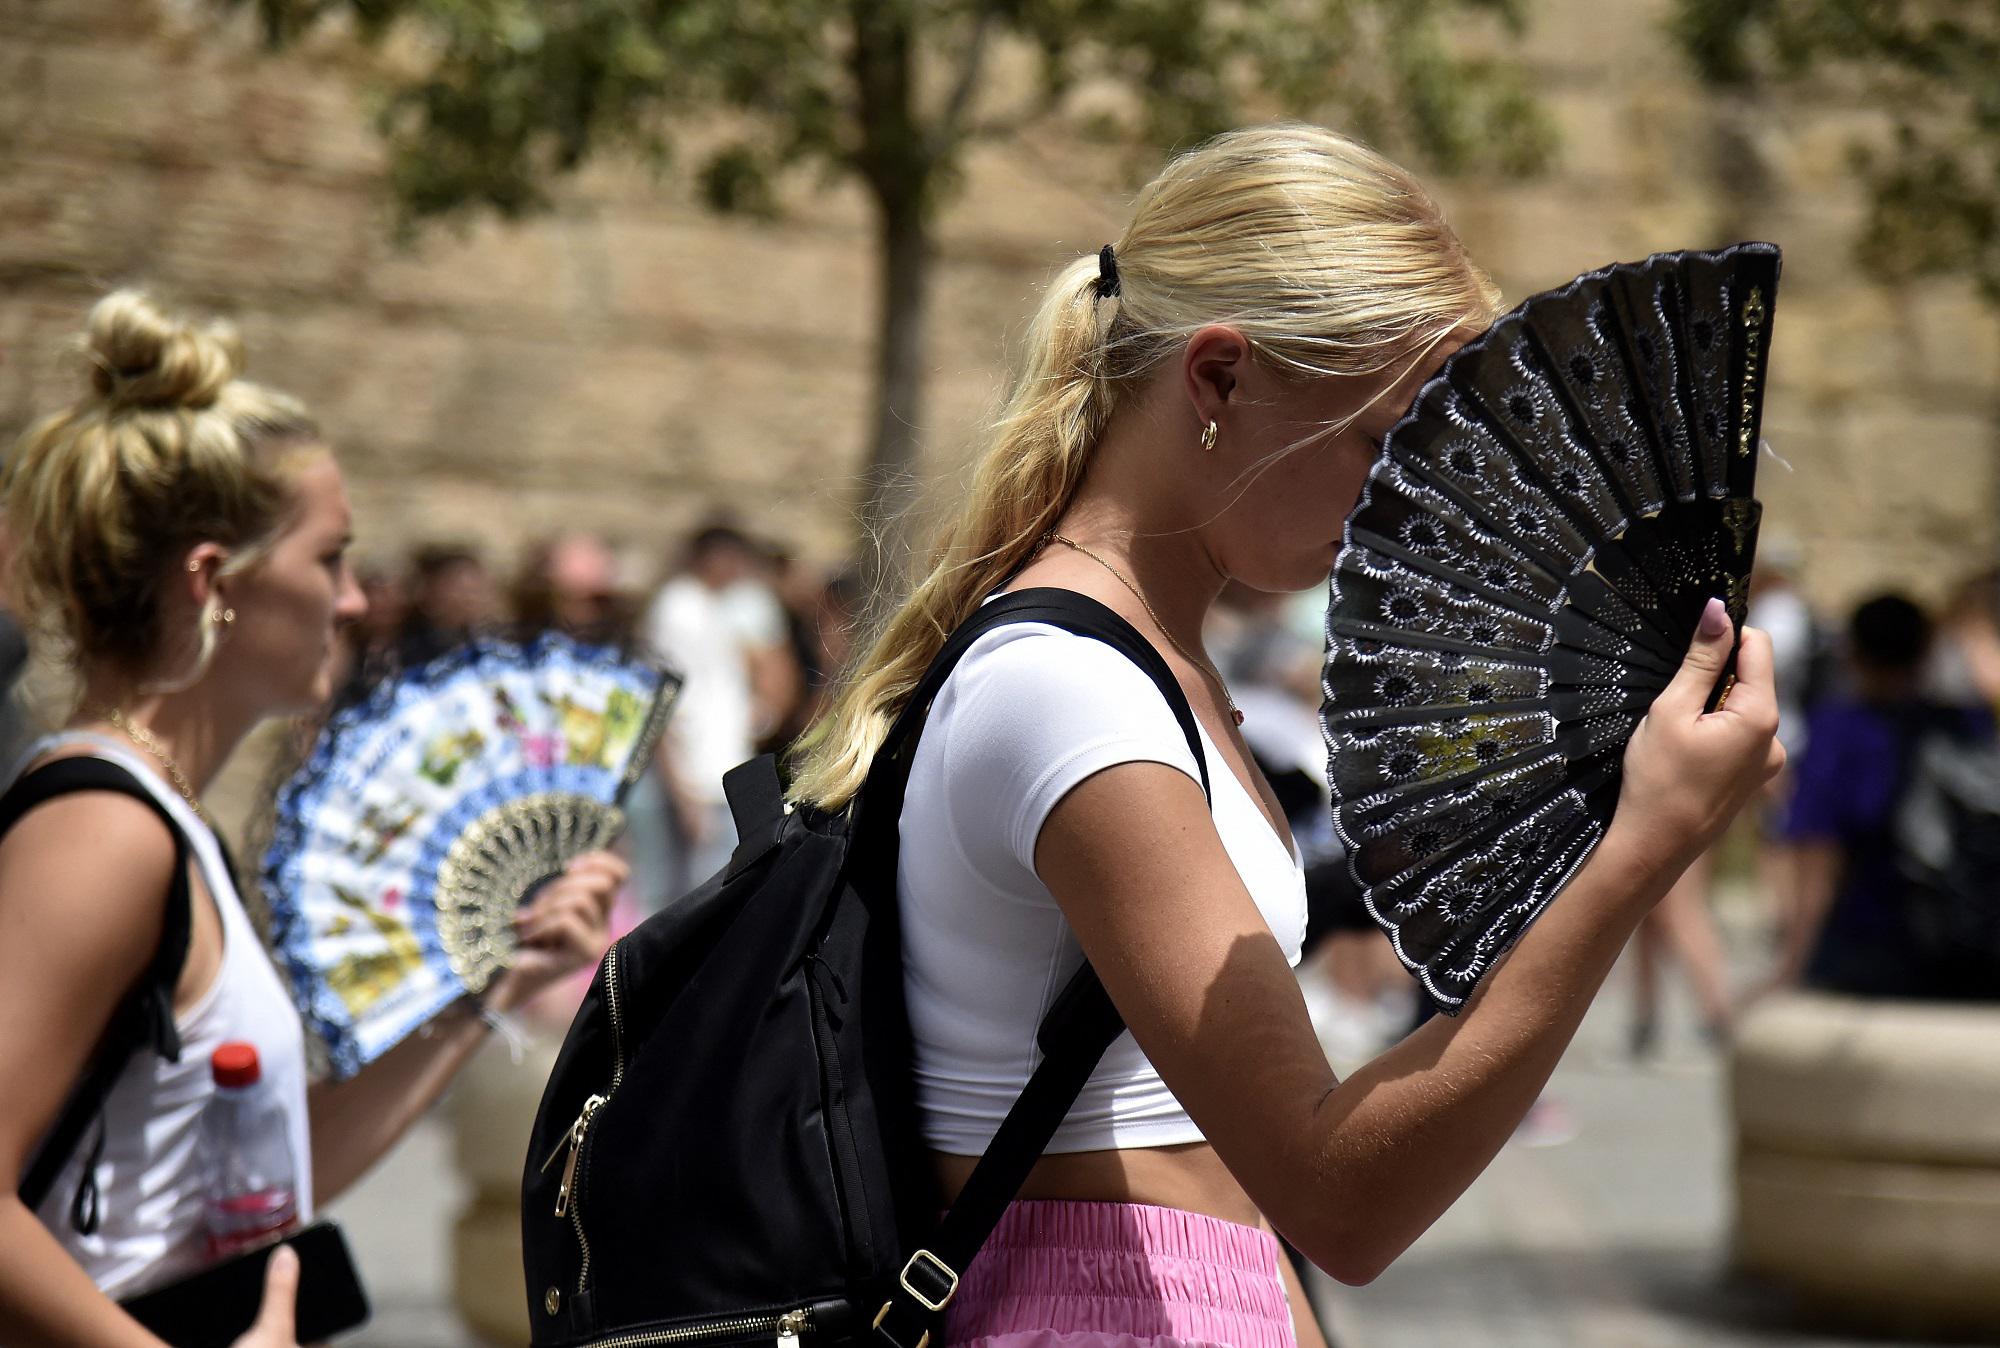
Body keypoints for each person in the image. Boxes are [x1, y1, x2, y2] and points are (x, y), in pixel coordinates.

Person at [787, 123, 1782, 1348]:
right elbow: (1340, 1198)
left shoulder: (1147, 670)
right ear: (1215, 377)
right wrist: (1640, 853)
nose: (1398, 501)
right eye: (1380, 442)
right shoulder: (1068, 696)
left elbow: (1257, 1200)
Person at [0, 291, 625, 1348]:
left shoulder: (160, 818)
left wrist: (491, 990)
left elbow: (272, 1184)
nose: (350, 599)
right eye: (328, 557)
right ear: (216, 583)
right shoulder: (101, 830)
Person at [1775, 593, 1989, 995]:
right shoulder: (1963, 727)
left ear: (1852, 651)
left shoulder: (1838, 731)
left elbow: (1819, 859)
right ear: (1925, 650)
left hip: (1866, 948)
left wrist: (1793, 966)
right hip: (1964, 951)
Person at [642, 522, 797, 896]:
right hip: (695, 783)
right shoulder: (678, 609)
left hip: (719, 778)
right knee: (692, 899)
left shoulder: (712, 608)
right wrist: (683, 793)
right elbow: (661, 705)